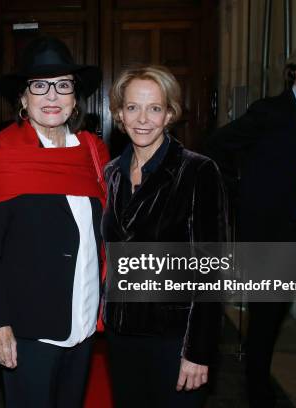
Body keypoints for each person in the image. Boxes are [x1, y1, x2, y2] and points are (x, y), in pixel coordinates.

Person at [207, 39, 296, 408]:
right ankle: (259, 397)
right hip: (278, 238)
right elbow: (217, 147)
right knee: (266, 324)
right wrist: (243, 200)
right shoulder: (270, 112)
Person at [0, 36, 109, 408]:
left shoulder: (93, 154)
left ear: (75, 97)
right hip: (28, 331)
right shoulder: (4, 156)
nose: (52, 96)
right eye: (40, 86)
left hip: (83, 322)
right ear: (23, 98)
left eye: (63, 85)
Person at [102, 65, 227, 407]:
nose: (142, 118)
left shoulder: (198, 171)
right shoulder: (110, 173)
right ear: (118, 113)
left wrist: (198, 351)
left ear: (169, 113)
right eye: (132, 107)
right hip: (121, 335)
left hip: (174, 338)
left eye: (154, 108)